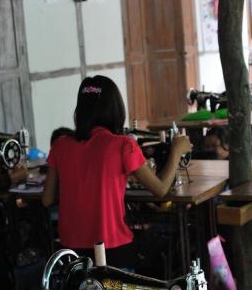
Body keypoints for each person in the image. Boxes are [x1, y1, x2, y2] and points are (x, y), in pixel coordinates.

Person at [42, 75, 191, 268]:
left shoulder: (61, 145)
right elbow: (161, 190)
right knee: (162, 246)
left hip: (71, 253)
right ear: (115, 109)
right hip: (112, 252)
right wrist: (176, 151)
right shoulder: (122, 145)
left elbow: (47, 199)